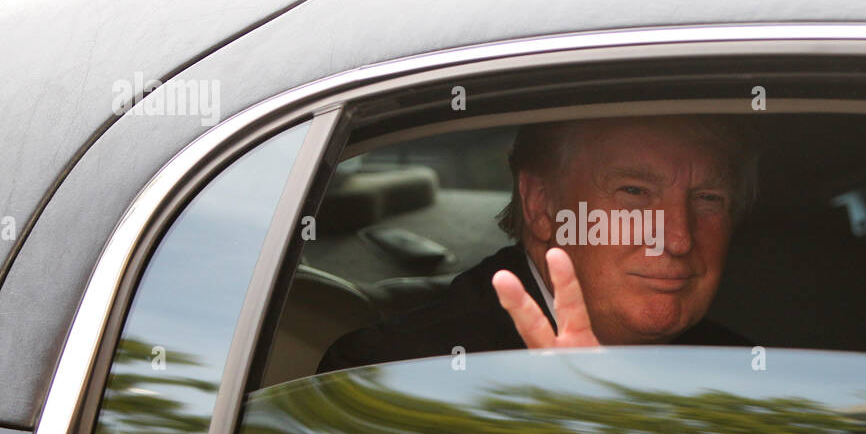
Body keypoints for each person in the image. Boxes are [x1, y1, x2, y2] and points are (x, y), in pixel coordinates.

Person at [317, 114, 754, 371]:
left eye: (708, 199)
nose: (677, 238)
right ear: (542, 205)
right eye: (635, 192)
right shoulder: (400, 371)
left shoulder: (747, 371)